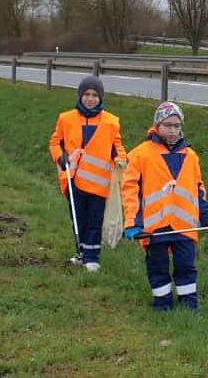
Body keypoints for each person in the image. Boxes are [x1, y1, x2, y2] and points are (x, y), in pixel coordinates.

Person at [121, 101, 208, 312]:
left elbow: (198, 190)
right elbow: (131, 192)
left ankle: (189, 306)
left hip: (185, 226)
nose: (173, 130)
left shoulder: (190, 156)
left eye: (177, 125)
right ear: (157, 125)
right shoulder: (140, 154)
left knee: (186, 266)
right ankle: (162, 305)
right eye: (168, 125)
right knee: (158, 267)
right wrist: (132, 223)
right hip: (154, 227)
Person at [49, 75, 127, 272]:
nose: (90, 99)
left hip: (99, 182)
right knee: (78, 218)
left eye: (94, 95)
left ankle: (93, 256)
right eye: (87, 94)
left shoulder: (111, 122)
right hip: (74, 180)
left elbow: (117, 146)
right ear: (80, 96)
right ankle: (81, 253)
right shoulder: (66, 119)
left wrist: (120, 160)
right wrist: (61, 158)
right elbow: (55, 143)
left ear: (100, 98)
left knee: (95, 219)